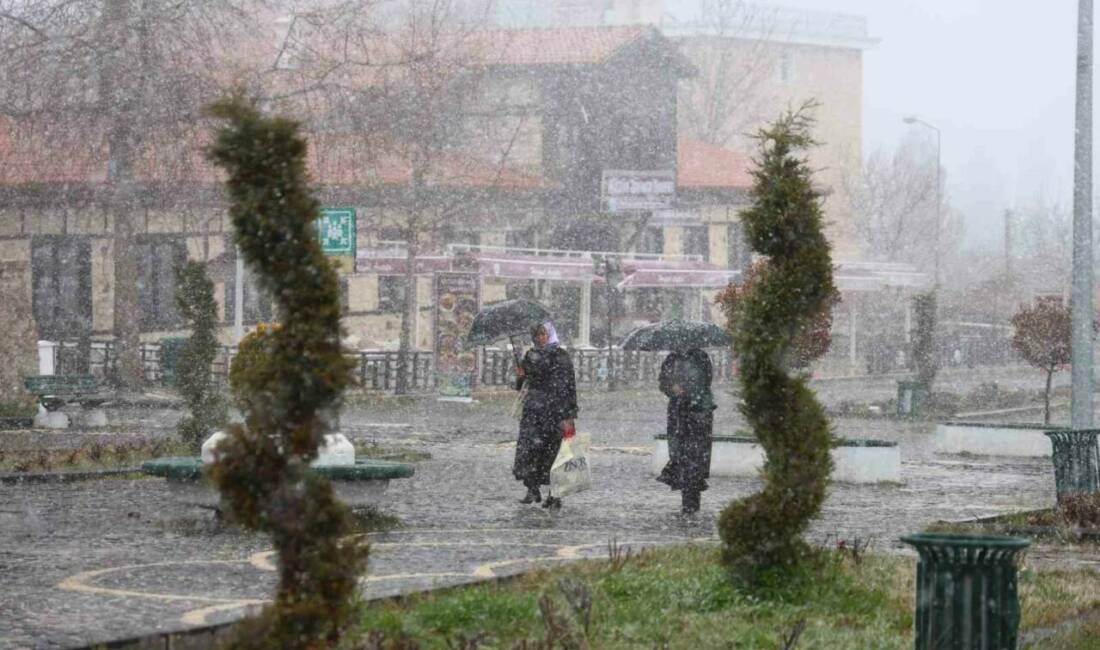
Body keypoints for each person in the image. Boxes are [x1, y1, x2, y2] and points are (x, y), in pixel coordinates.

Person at [513, 321, 578, 510]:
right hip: (534, 411)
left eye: (544, 334)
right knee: (530, 450)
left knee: (555, 453)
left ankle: (555, 494)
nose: (541, 338)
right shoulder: (530, 355)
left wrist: (569, 413)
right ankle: (532, 488)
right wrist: (520, 375)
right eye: (537, 335)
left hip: (556, 412)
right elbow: (522, 386)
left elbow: (569, 386)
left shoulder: (561, 356)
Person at [656, 347, 716, 514]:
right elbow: (663, 382)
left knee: (694, 457)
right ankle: (688, 498)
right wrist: (672, 387)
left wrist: (688, 390)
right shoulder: (672, 358)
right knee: (681, 456)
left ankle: (691, 500)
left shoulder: (700, 357)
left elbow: (705, 381)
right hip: (679, 413)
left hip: (697, 414)